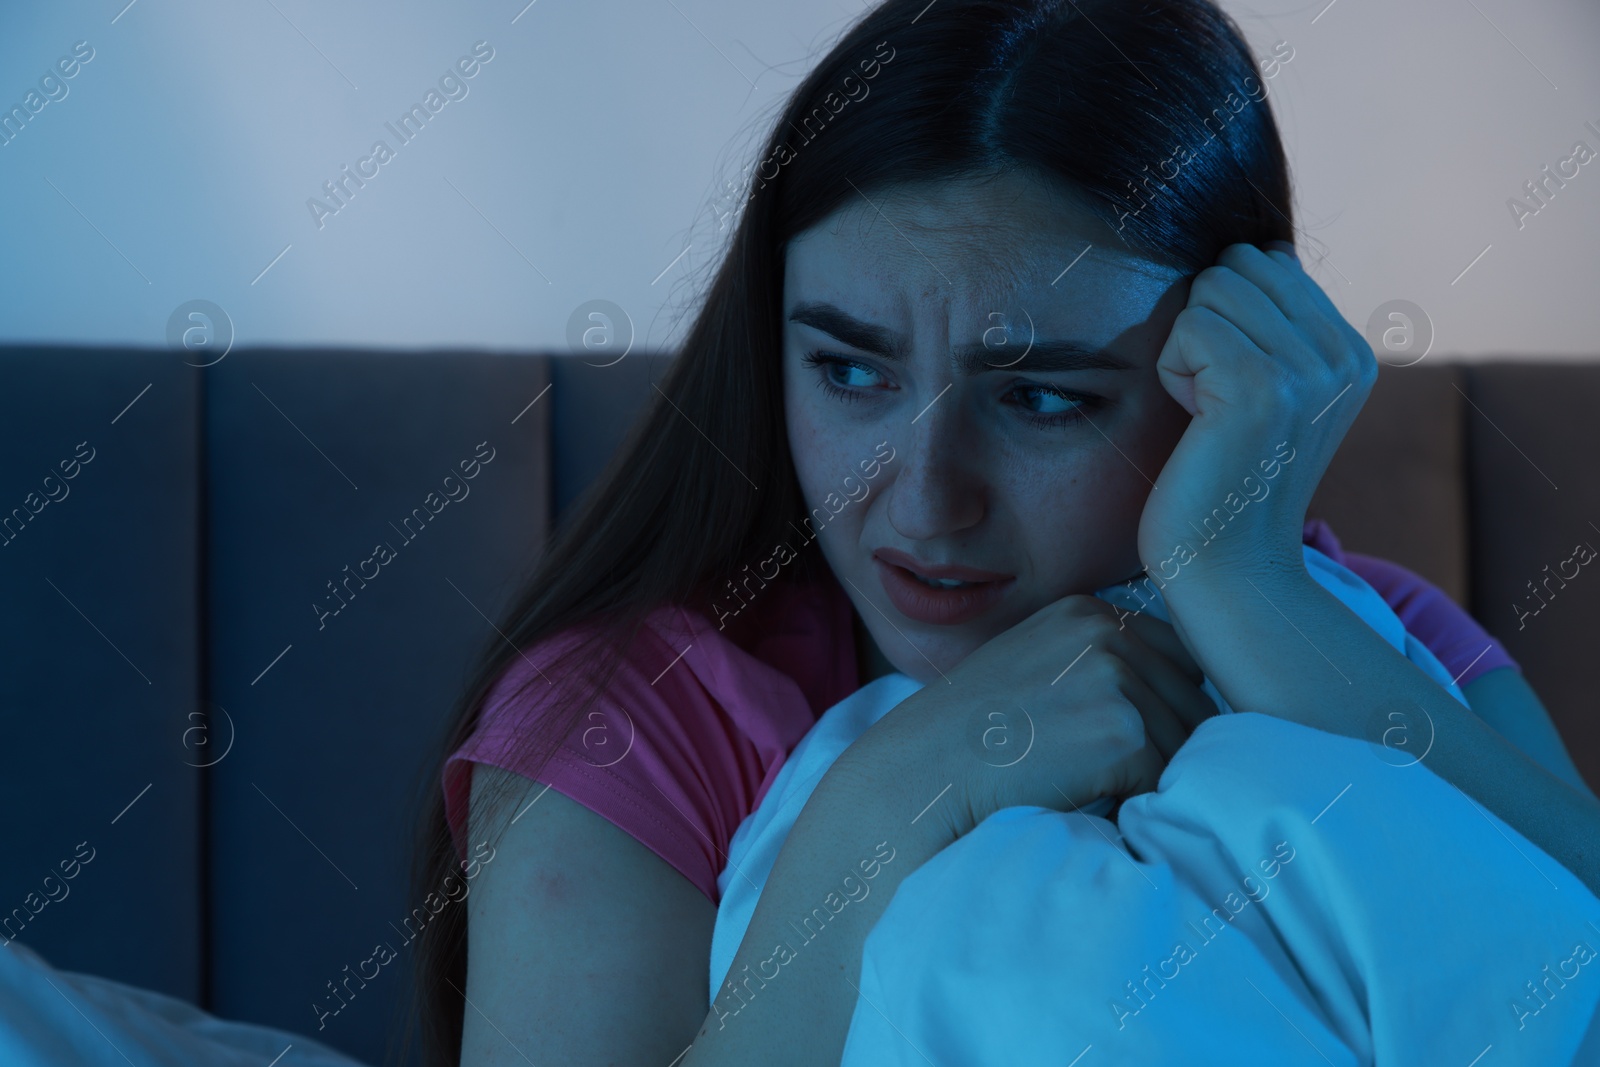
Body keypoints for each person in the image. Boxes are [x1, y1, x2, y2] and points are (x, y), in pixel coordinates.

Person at [403, 1, 1598, 1064]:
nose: (923, 498)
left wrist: (1243, 582)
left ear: (1217, 367)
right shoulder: (634, 718)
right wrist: (891, 801)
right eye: (847, 370)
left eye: (1041, 396)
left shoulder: (1347, 622)